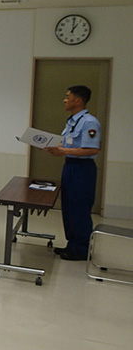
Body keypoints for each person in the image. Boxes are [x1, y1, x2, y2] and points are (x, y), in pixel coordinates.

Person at [46, 85, 101, 261]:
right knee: (69, 208)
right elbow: (69, 144)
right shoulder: (72, 121)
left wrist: (62, 151)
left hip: (82, 170)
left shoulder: (89, 122)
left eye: (67, 97)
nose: (64, 100)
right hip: (69, 166)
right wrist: (55, 147)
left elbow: (91, 149)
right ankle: (72, 244)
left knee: (79, 208)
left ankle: (82, 249)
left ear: (77, 100)